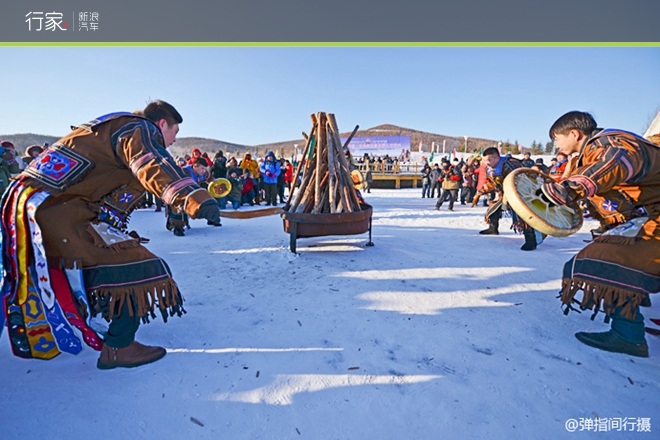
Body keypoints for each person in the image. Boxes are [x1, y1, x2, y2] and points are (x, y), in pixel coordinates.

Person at [0, 100, 221, 369]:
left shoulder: (109, 127)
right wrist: (190, 197)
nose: (174, 141)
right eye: (174, 132)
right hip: (59, 211)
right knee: (138, 266)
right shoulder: (139, 128)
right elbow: (149, 163)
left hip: (39, 206)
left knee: (102, 264)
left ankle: (103, 323)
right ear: (162, 123)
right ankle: (119, 347)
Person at [539, 111, 660, 357]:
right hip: (643, 219)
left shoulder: (613, 143)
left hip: (653, 221)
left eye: (557, 138)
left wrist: (573, 187)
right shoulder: (582, 157)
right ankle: (635, 299)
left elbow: (614, 163)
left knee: (602, 259)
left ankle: (628, 335)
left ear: (574, 134)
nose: (557, 145)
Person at [474, 147, 541, 251]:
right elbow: (491, 183)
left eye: (489, 160)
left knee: (522, 216)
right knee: (493, 208)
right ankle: (493, 228)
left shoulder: (511, 164)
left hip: (521, 194)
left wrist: (513, 195)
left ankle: (531, 240)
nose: (487, 163)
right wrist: (482, 190)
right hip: (504, 194)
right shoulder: (491, 169)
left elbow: (522, 179)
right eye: (485, 160)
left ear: (497, 158)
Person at [167, 157, 216, 236]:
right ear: (195, 166)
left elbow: (210, 178)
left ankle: (211, 219)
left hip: (193, 192)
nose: (203, 171)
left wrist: (215, 184)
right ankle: (177, 227)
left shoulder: (203, 173)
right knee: (180, 208)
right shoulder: (184, 171)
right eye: (202, 168)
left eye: (205, 169)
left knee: (207, 200)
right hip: (179, 193)